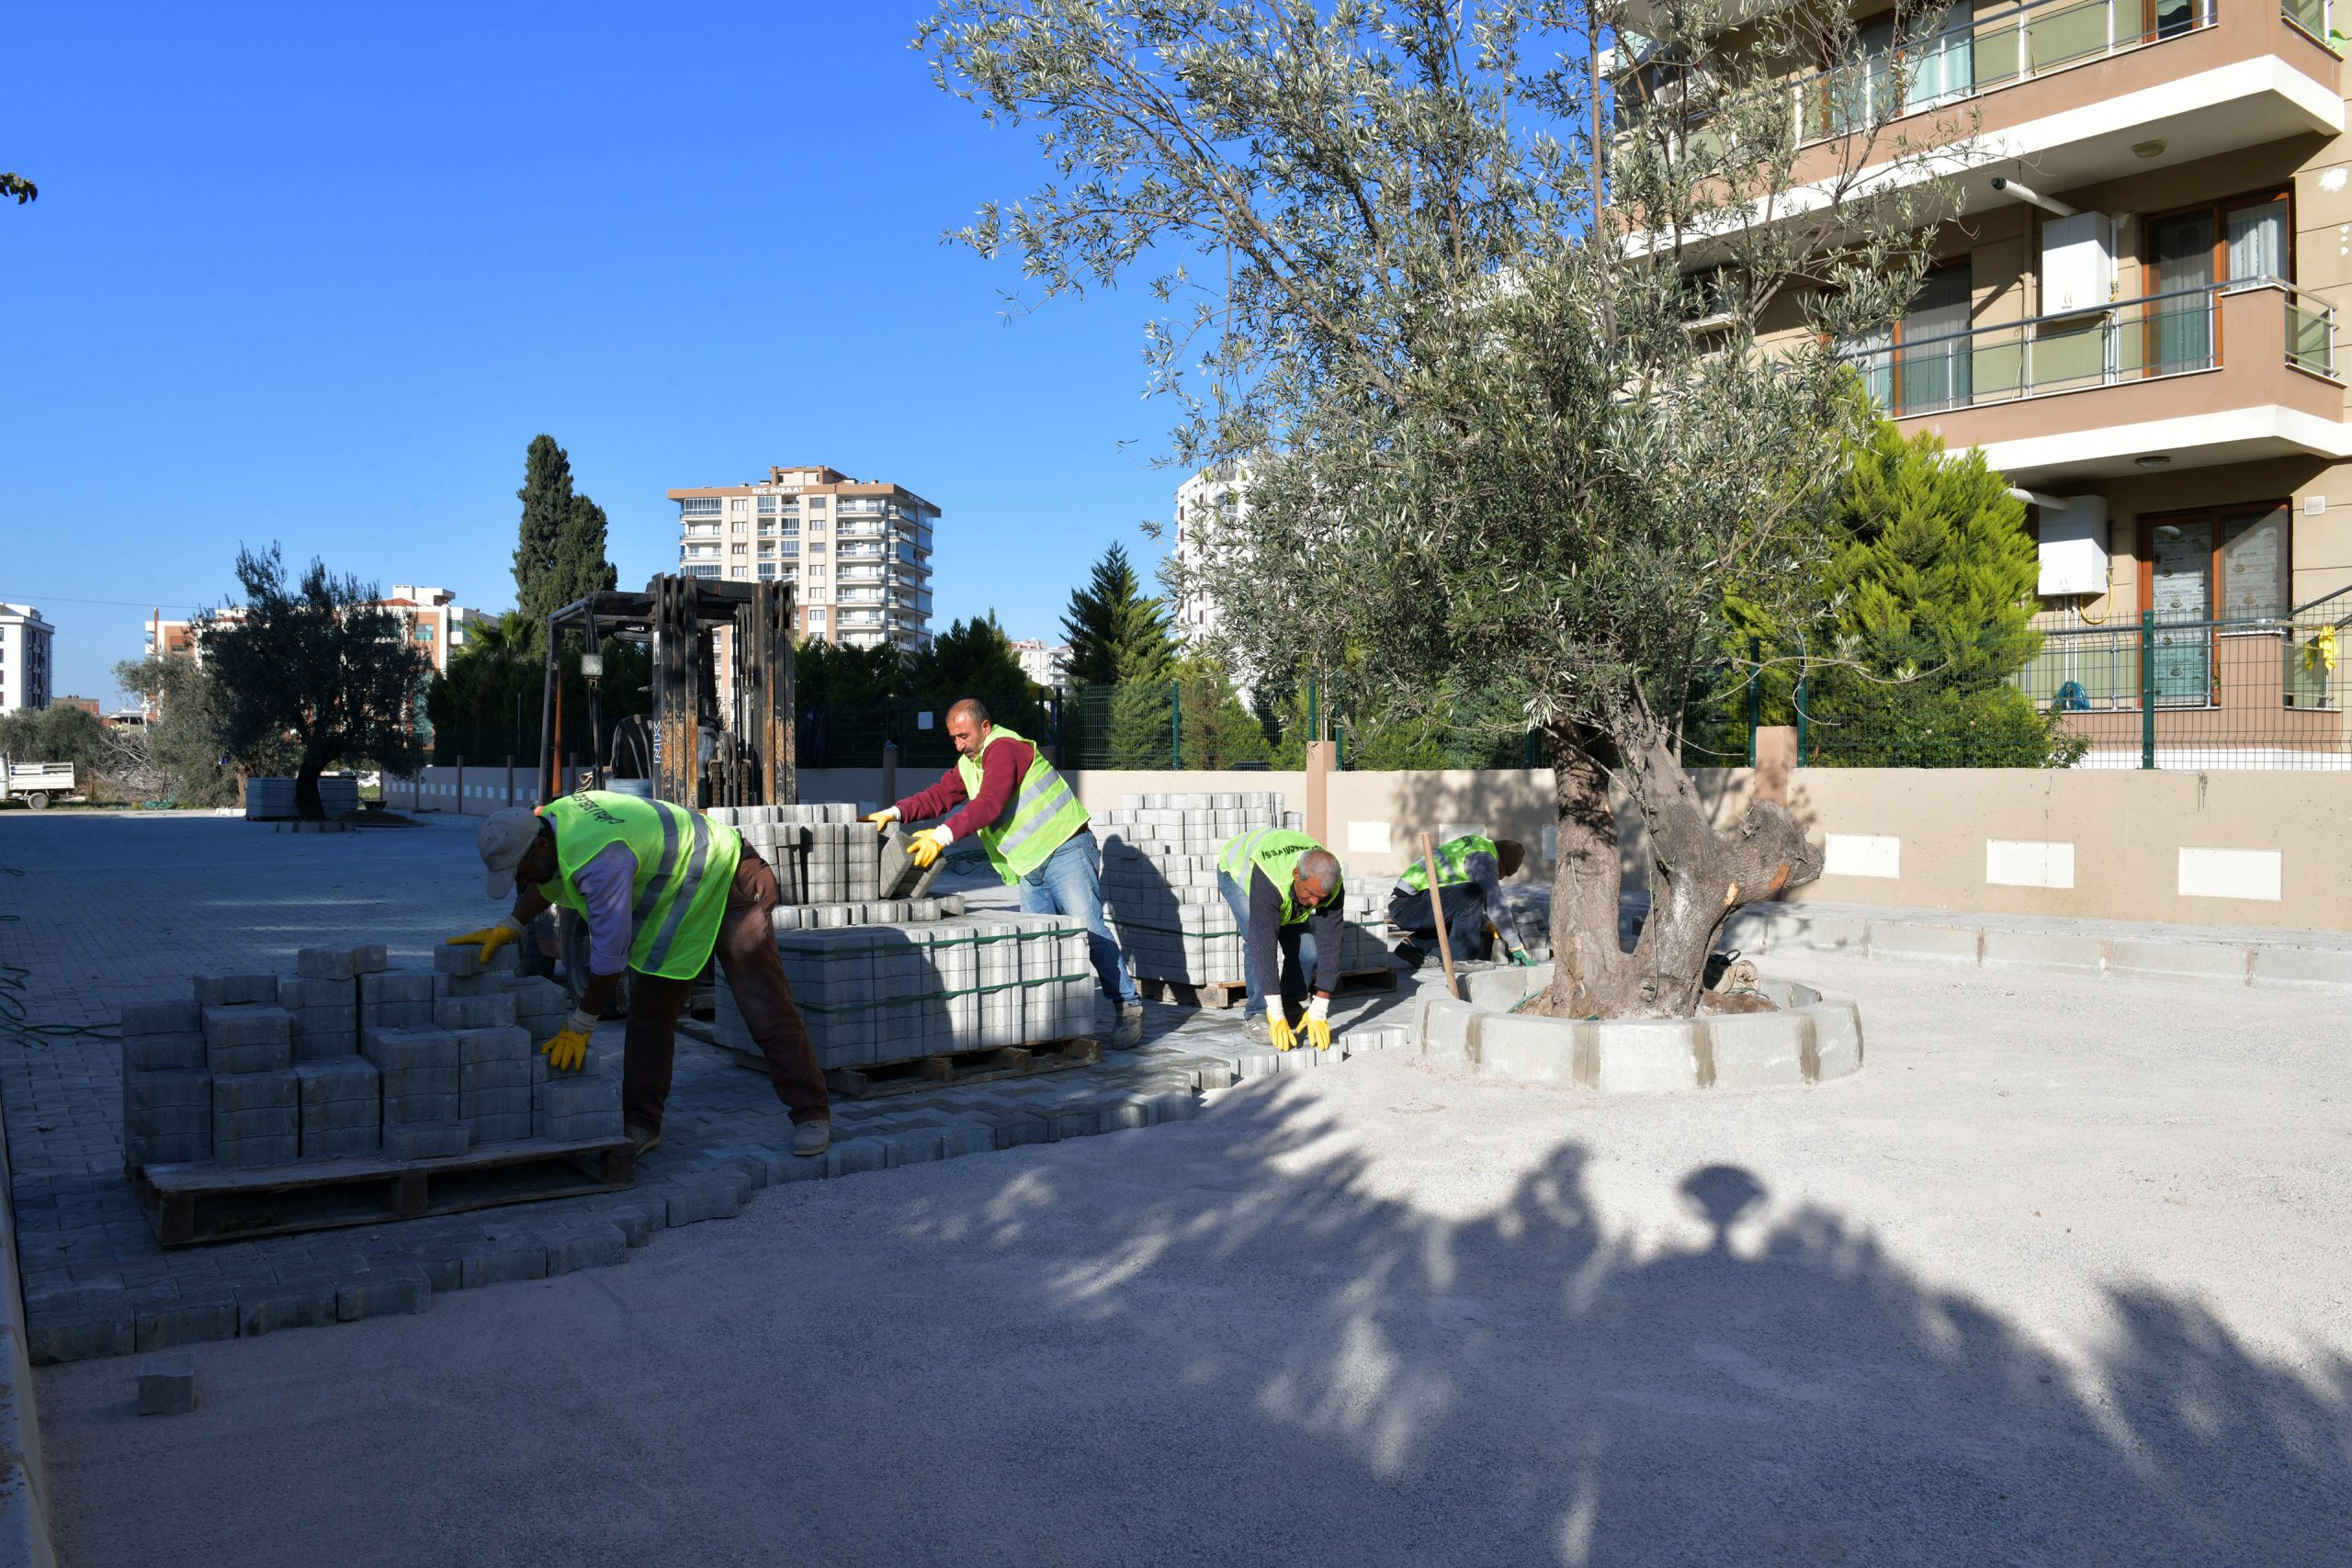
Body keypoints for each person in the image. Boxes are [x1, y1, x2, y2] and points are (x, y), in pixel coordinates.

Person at [448, 790, 831, 1159]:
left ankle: (812, 1113)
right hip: (682, 895)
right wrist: (513, 923)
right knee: (649, 1016)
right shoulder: (553, 822)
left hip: (728, 876)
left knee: (762, 1005)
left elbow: (608, 958)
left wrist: (582, 1022)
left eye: (521, 871)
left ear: (540, 845)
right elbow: (551, 879)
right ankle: (642, 1124)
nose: (520, 883)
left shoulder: (600, 862)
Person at [865, 697, 1146, 1048]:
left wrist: (942, 836)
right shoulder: (968, 764)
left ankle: (1128, 1006)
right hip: (1029, 864)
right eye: (953, 738)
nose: (959, 744)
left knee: (1089, 930)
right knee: (1037, 944)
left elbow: (989, 803)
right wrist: (894, 813)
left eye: (964, 736)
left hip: (1066, 847)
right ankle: (1054, 1023)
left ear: (985, 727)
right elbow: (939, 796)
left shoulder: (1005, 748)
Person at [1216, 827, 1344, 1052]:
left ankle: (1289, 1002)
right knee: (1254, 934)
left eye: (1320, 897)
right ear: (1297, 874)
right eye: (1310, 894)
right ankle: (1257, 1014)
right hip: (1238, 875)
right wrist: (1274, 1013)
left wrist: (1320, 1007)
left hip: (1284, 889)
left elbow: (1331, 942)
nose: (1314, 902)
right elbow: (1263, 944)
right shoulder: (1271, 876)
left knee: (1308, 951)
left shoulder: (1331, 883)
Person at [1389, 834, 1536, 970]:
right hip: (1408, 907)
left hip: (1407, 904)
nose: (1501, 877)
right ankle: (1463, 959)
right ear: (1502, 862)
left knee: (1469, 911)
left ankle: (1414, 947)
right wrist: (1515, 944)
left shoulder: (1479, 845)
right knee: (1474, 893)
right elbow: (1495, 902)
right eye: (1505, 872)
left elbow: (1461, 908)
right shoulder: (1484, 859)